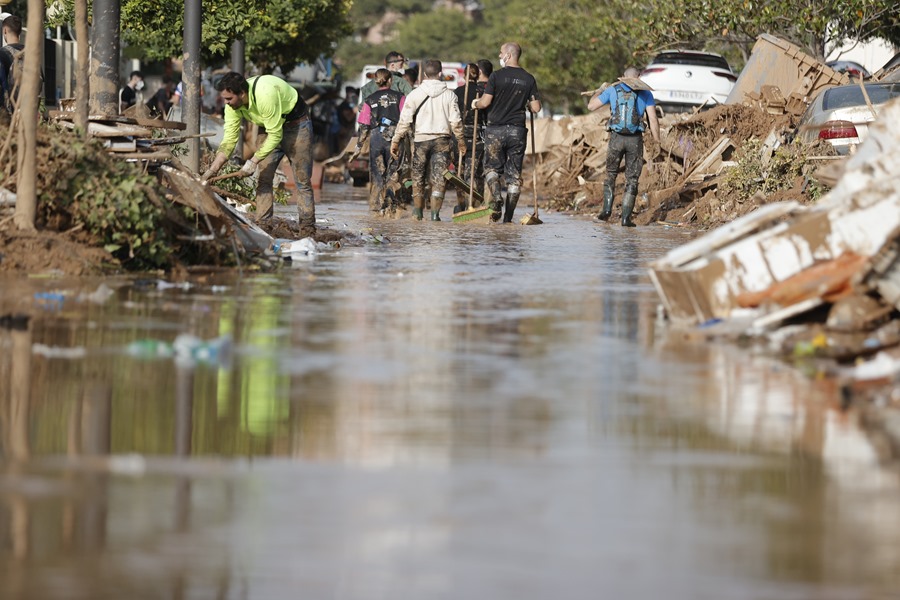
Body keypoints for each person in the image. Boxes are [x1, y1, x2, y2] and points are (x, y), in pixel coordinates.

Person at [201, 72, 317, 238]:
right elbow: (229, 140)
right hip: (268, 126)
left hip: (296, 125)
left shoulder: (265, 95)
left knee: (302, 180)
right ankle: (263, 226)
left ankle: (307, 230)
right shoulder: (232, 107)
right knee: (263, 178)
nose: (226, 103)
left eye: (229, 99)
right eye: (225, 99)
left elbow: (276, 136)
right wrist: (212, 171)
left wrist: (252, 161)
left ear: (242, 93)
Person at [471, 42, 541, 223]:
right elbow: (536, 107)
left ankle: (496, 196)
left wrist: (475, 104)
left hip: (495, 130)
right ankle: (508, 219)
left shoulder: (496, 76)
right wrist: (525, 103)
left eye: (501, 53)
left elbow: (485, 103)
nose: (500, 56)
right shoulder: (529, 78)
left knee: (492, 169)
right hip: (517, 132)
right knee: (514, 176)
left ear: (509, 55)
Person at [390, 59, 465, 221]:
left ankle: (417, 213)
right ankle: (435, 215)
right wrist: (461, 141)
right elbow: (456, 122)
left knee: (418, 177)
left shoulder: (414, 94)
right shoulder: (449, 95)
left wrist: (395, 140)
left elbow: (404, 121)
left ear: (424, 75)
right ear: (440, 74)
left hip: (421, 141)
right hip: (442, 141)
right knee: (439, 178)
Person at [587, 67, 660, 227]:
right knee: (632, 179)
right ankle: (626, 218)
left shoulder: (613, 90)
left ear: (623, 77)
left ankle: (606, 210)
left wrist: (600, 90)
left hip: (616, 138)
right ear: (638, 77)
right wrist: (657, 142)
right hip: (635, 140)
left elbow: (591, 106)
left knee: (610, 174)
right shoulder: (646, 94)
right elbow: (653, 119)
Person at [356, 69, 405, 213]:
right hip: (395, 138)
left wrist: (359, 145)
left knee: (377, 174)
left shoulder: (369, 99)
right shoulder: (400, 97)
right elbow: (405, 119)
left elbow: (364, 126)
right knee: (393, 173)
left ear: (376, 81)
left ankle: (375, 208)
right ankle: (391, 209)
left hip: (376, 138)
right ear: (390, 80)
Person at [0, 15, 24, 114]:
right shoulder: (32, 54)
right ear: (20, 32)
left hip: (7, 114)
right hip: (27, 112)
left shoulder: (2, 54)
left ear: (5, 31)